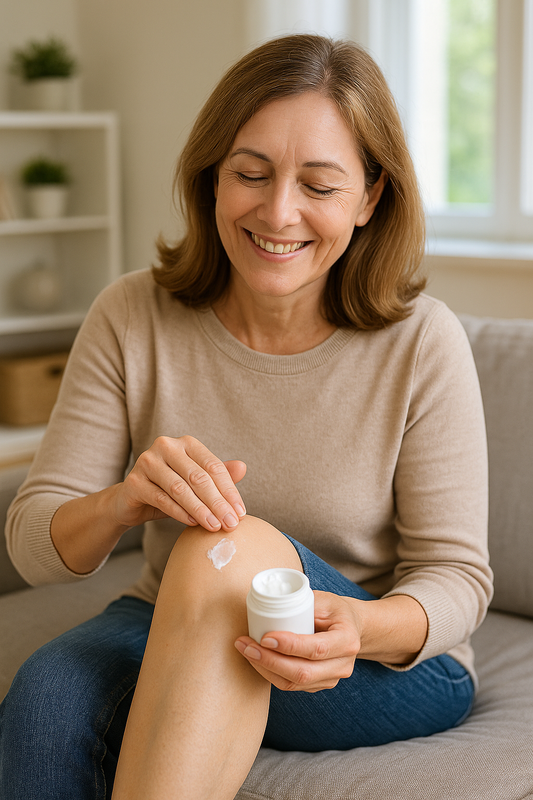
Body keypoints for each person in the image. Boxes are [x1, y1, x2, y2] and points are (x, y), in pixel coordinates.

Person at [0, 34, 492, 800]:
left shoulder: (422, 341)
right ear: (210, 178)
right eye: (250, 174)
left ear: (369, 198)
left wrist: (361, 630)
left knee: (223, 548)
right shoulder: (132, 314)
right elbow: (34, 548)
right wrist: (124, 499)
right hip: (176, 617)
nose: (278, 211)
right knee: (43, 701)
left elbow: (456, 578)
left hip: (376, 658)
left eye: (320, 186)